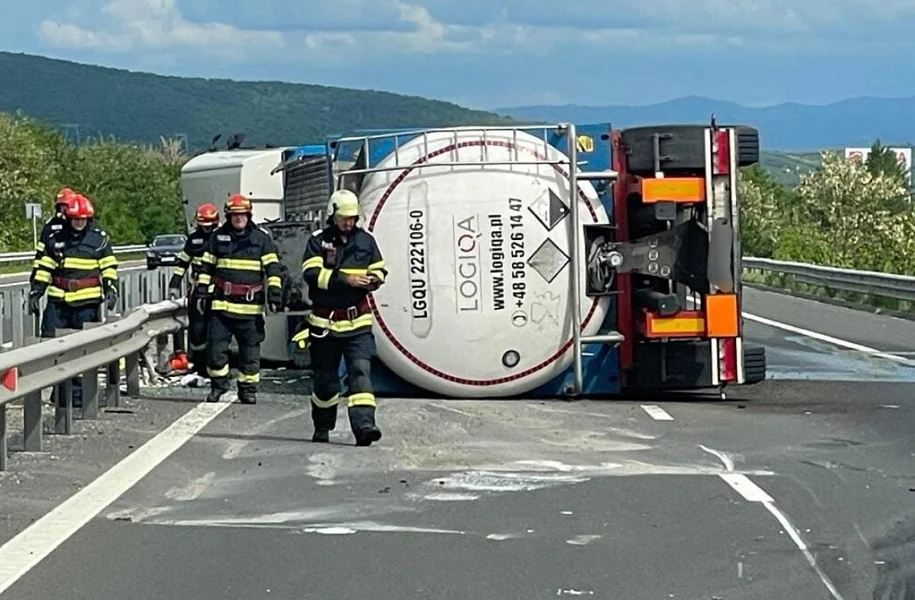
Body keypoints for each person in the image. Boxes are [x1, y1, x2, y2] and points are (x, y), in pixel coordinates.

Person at [294, 188, 386, 446]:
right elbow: (311, 274)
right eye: (345, 217)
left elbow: (379, 268)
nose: (349, 222)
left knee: (360, 371)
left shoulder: (366, 241)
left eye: (353, 217)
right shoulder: (318, 241)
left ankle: (365, 426)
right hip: (325, 325)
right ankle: (322, 425)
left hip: (358, 324)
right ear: (332, 215)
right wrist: (345, 279)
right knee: (325, 380)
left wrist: (374, 279)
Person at [27, 194, 118, 408]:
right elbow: (45, 266)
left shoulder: (98, 238)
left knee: (80, 350)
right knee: (51, 345)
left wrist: (111, 288)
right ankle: (59, 391)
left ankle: (76, 395)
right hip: (58, 301)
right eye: (76, 219)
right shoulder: (56, 237)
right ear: (69, 218)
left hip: (87, 304)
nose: (79, 223)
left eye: (83, 219)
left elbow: (108, 266)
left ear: (89, 219)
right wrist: (36, 291)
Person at [195, 194, 284, 404]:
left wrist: (275, 292)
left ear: (249, 215)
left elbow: (273, 268)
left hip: (250, 309)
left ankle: (247, 389)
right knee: (216, 350)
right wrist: (202, 291)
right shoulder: (217, 237)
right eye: (235, 215)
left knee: (250, 352)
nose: (239, 218)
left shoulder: (261, 239)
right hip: (221, 306)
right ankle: (218, 386)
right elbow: (206, 267)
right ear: (228, 216)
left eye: (242, 214)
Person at [168, 203, 220, 377]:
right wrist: (174, 284)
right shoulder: (193, 239)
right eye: (203, 225)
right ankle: (199, 364)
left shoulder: (221, 238)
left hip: (218, 290)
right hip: (198, 290)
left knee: (217, 328)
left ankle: (215, 363)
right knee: (197, 329)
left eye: (209, 225)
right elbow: (182, 264)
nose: (206, 229)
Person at [32, 187, 78, 338]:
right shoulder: (50, 228)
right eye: (61, 207)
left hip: (84, 300)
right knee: (49, 335)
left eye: (66, 206)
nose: (63, 211)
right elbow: (42, 260)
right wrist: (36, 290)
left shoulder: (84, 227)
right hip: (57, 296)